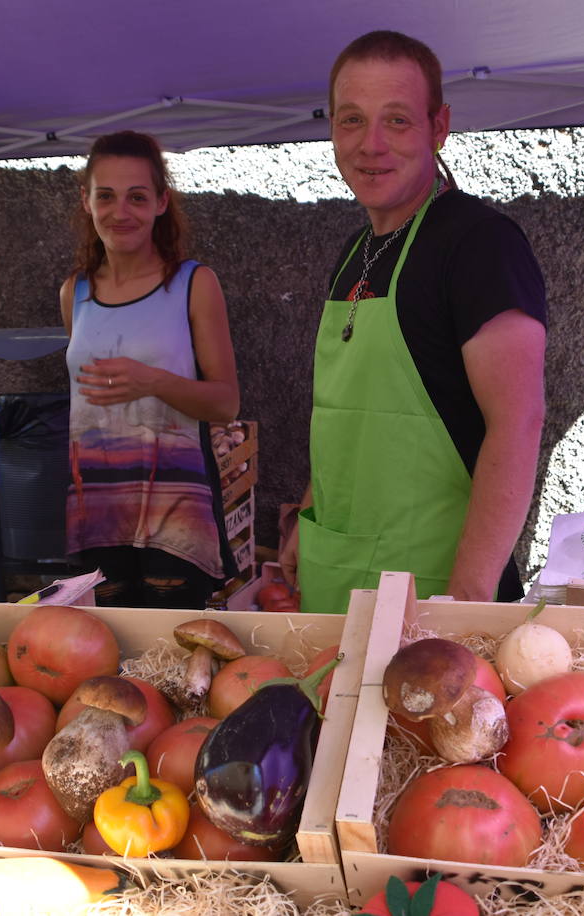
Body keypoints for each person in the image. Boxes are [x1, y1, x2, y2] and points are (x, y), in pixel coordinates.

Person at [280, 30, 548, 612]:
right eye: (352, 120)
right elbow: (349, 417)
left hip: (433, 597)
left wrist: (468, 600)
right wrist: (311, 510)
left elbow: (518, 422)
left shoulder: (479, 245)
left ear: (439, 126)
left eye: (396, 120)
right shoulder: (356, 251)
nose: (370, 144)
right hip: (341, 577)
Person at [60, 130, 240, 609]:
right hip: (97, 511)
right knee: (105, 663)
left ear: (162, 202)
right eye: (107, 196)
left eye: (137, 197)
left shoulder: (193, 284)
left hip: (176, 515)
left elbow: (226, 402)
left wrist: (153, 381)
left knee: (167, 663)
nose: (121, 212)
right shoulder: (74, 293)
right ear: (86, 201)